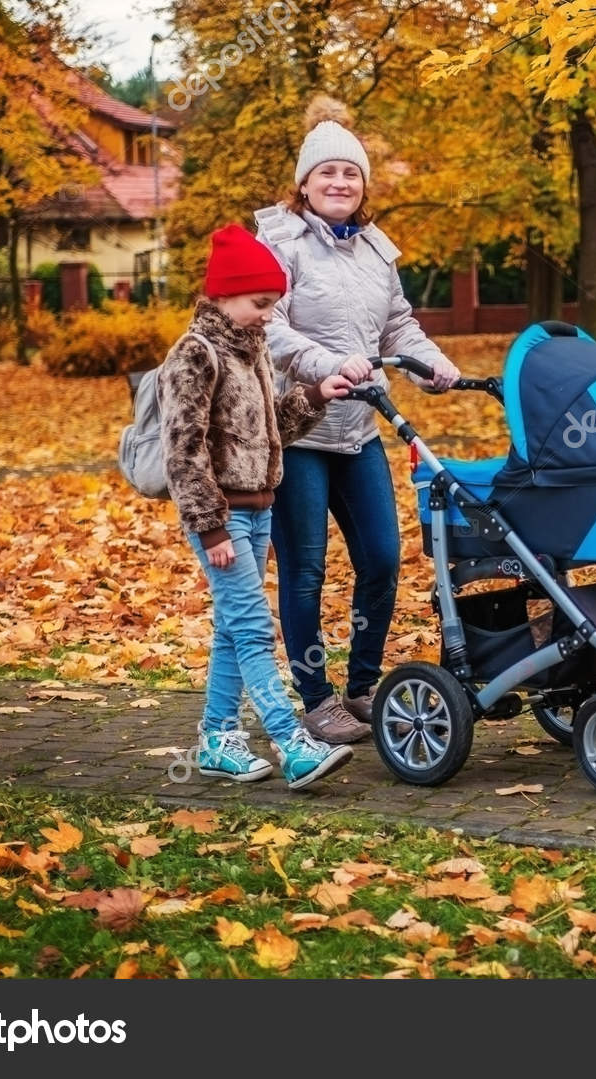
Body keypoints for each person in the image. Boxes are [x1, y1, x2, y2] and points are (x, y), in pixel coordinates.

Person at [255, 97, 461, 745]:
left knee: (381, 557)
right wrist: (325, 366)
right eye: (327, 173)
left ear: (363, 184)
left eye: (351, 173)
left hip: (361, 426)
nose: (339, 183)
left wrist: (434, 363)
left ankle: (363, 685)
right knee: (306, 567)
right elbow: (268, 325)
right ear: (304, 183)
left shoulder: (376, 249)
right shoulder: (279, 243)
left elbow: (399, 323)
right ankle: (315, 698)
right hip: (299, 427)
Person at [161, 223, 356, 788]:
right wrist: (212, 528)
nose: (269, 314)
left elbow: (273, 429)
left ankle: (219, 738)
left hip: (259, 507)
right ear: (222, 295)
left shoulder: (253, 351)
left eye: (274, 304)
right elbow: (183, 449)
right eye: (260, 303)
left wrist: (316, 395)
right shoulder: (195, 355)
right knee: (251, 627)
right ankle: (292, 741)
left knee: (231, 627)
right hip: (220, 517)